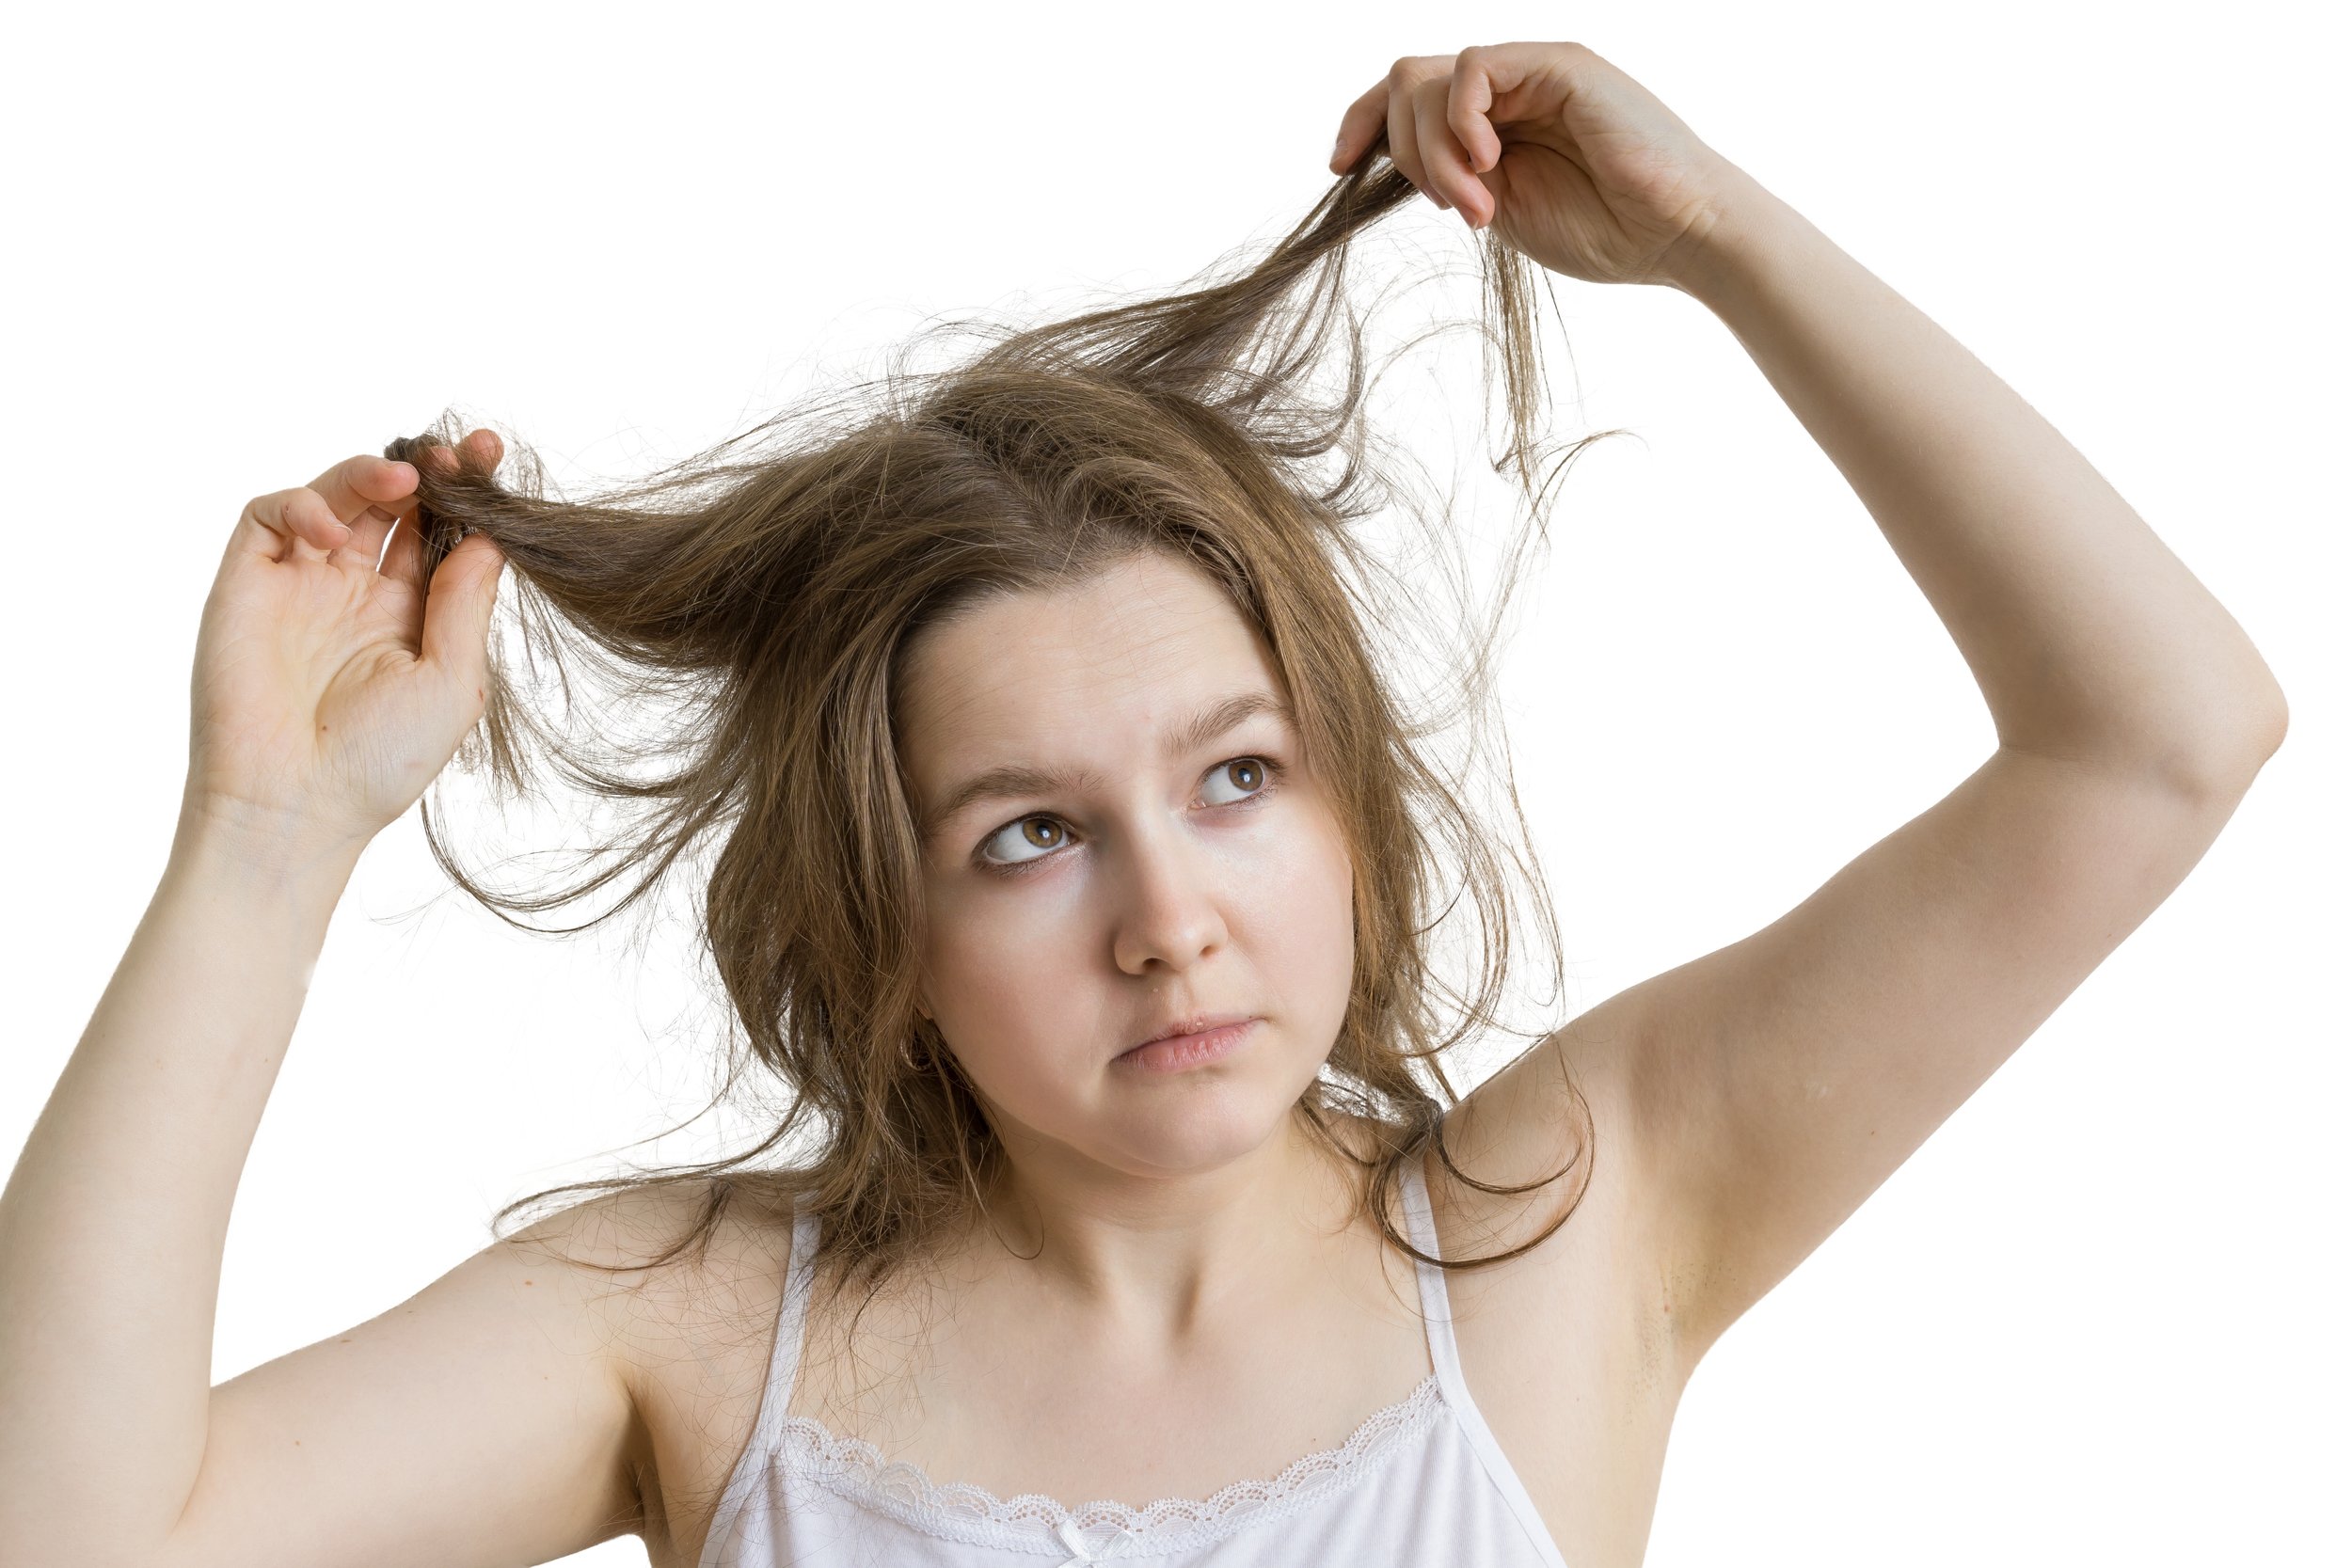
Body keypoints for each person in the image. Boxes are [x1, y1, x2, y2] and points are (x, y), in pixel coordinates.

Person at [0, 39, 2287, 1568]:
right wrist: (264, 841)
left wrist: (1720, 244)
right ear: (875, 930)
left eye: (1233, 781)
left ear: (1351, 828)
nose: (1168, 919)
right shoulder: (697, 1325)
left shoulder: (1567, 1226)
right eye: (1028, 833)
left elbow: (2156, 735)